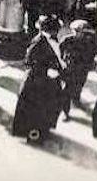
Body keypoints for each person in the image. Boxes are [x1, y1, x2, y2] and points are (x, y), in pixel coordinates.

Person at [12, 15, 67, 143]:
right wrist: (46, 71)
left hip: (49, 82)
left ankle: (43, 130)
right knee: (35, 110)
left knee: (48, 107)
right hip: (36, 82)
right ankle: (33, 135)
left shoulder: (52, 40)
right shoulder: (38, 41)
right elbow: (29, 61)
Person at [60, 19, 97, 115]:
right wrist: (62, 61)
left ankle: (76, 100)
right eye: (76, 31)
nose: (78, 34)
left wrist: (91, 64)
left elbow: (93, 52)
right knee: (67, 90)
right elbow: (59, 51)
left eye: (81, 32)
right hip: (70, 68)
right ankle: (65, 111)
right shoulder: (67, 40)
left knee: (79, 85)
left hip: (83, 69)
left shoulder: (89, 41)